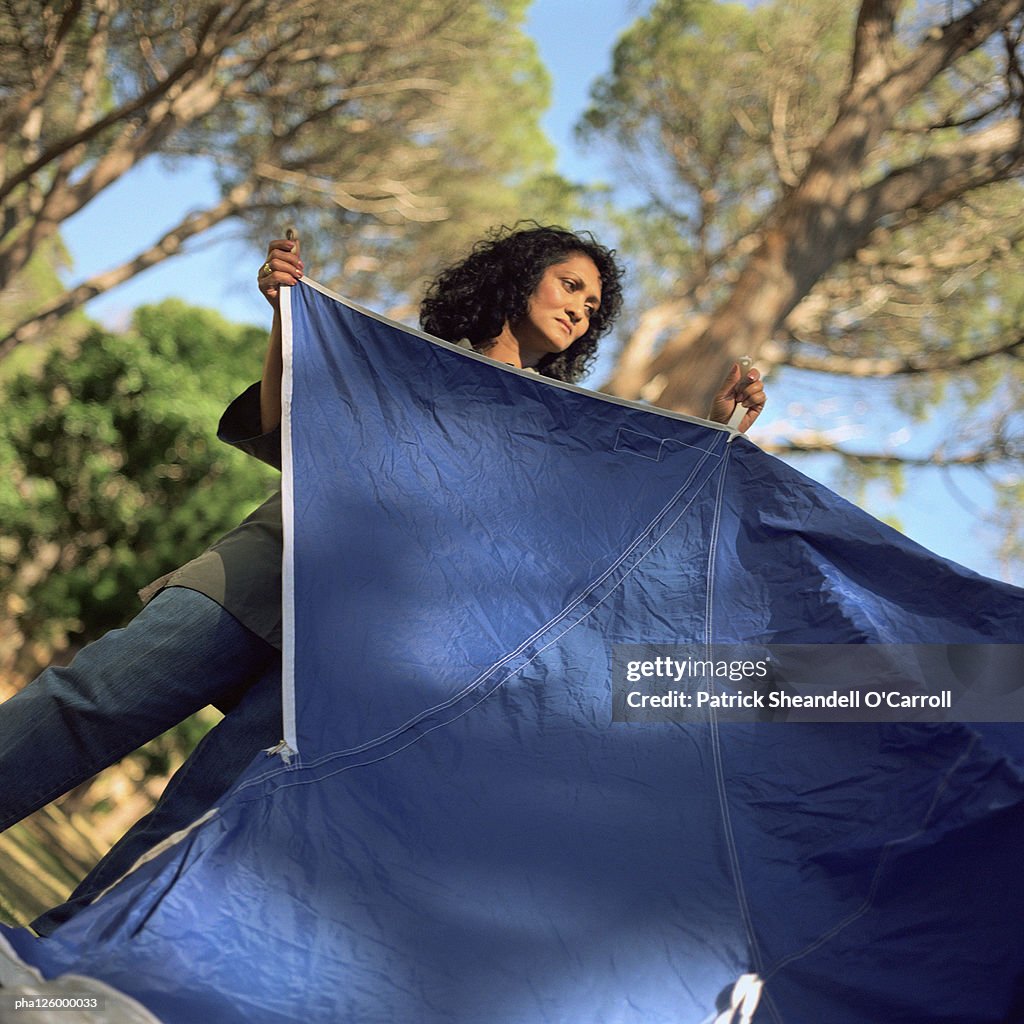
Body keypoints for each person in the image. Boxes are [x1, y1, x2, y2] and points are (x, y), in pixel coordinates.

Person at [2, 224, 765, 934]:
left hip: (360, 647)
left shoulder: (561, 427)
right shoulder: (398, 355)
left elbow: (618, 522)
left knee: (206, 814)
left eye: (594, 306)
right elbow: (286, 422)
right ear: (518, 279)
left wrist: (715, 427)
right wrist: (286, 314)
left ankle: (56, 966)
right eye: (570, 286)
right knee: (90, 700)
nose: (582, 310)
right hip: (268, 572)